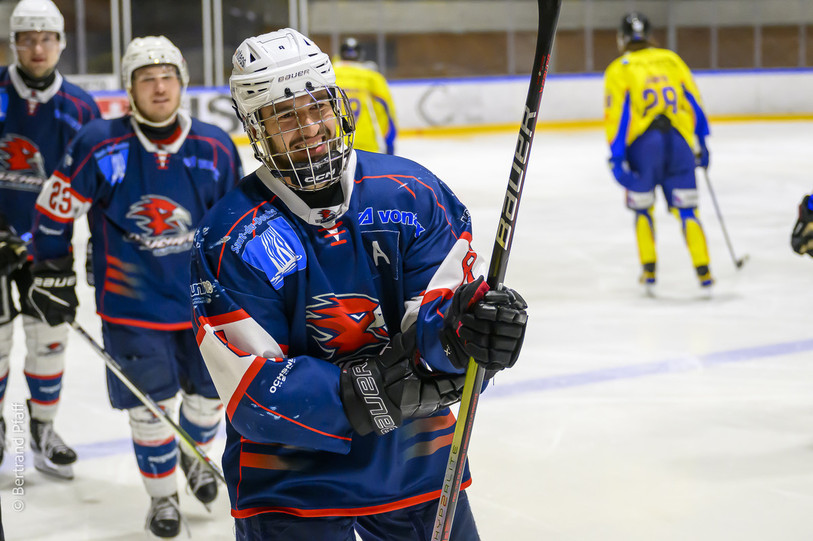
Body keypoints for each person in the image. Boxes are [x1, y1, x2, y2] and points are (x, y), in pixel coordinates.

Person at [191, 28, 528, 541]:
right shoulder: (229, 237)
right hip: (292, 490)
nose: (308, 128)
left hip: (416, 468)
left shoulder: (414, 194)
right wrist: (370, 390)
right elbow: (253, 394)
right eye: (285, 116)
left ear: (338, 105)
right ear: (255, 128)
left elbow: (437, 322)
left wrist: (470, 333)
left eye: (316, 107)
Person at [27, 36, 242, 538]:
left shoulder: (214, 146)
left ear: (182, 84)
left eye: (167, 76)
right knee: (149, 413)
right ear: (130, 89)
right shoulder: (99, 143)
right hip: (130, 307)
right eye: (147, 78)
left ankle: (190, 457)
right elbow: (53, 211)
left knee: (208, 404)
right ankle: (163, 498)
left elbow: (241, 226)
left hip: (202, 306)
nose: (159, 87)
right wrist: (49, 268)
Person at [0, 0, 100, 479]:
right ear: (14, 42)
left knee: (48, 342)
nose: (37, 48)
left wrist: (91, 252)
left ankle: (42, 428)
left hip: (49, 250)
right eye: (26, 38)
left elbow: (96, 188)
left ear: (61, 42)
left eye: (46, 38)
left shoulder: (82, 107)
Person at [603, 11, 713, 294]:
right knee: (688, 210)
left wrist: (617, 158)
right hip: (679, 145)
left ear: (622, 38)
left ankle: (649, 272)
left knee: (643, 208)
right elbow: (694, 102)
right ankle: (704, 273)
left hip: (644, 148)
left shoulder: (619, 68)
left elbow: (617, 117)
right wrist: (702, 142)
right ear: (649, 35)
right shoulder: (671, 60)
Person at [333, 37, 398, 155]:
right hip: (366, 145)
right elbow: (385, 110)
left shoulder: (328, 75)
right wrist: (389, 141)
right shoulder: (372, 77)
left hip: (334, 144)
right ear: (361, 55)